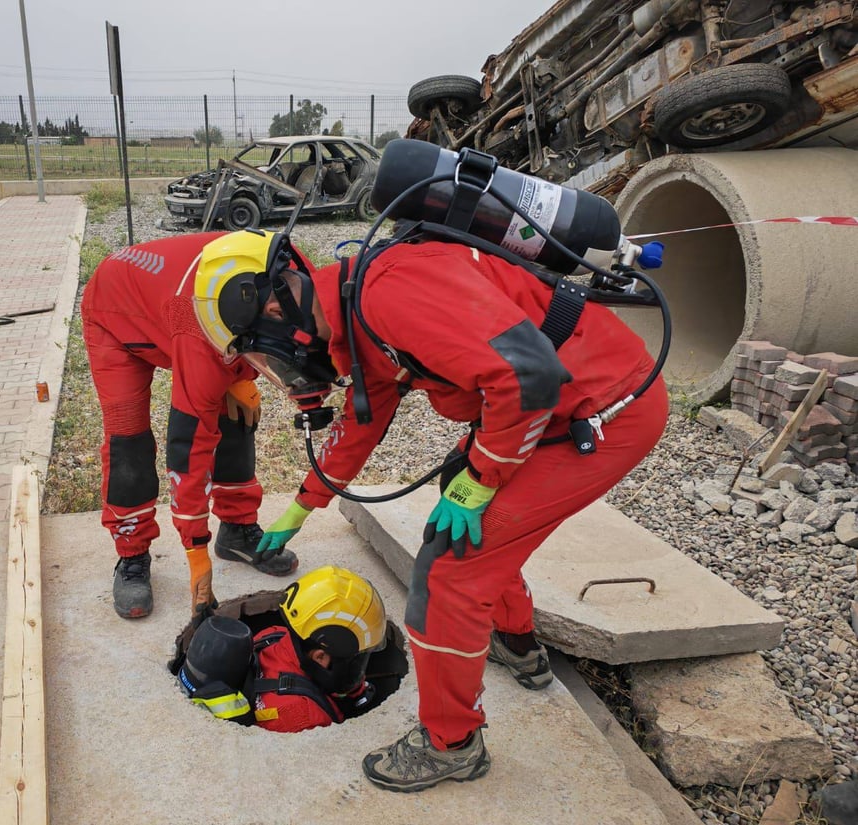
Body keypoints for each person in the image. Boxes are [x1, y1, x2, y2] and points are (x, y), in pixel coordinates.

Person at [193, 228, 668, 792]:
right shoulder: (356, 309)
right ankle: (516, 643)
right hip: (558, 408)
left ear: (272, 307)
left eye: (261, 350)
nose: (280, 369)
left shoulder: (389, 294)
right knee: (462, 520)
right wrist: (302, 506)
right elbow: (361, 421)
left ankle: (451, 745)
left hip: (600, 411)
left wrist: (484, 477)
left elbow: (528, 376)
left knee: (446, 575)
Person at [80, 231, 303, 621]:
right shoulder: (198, 332)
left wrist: (242, 376)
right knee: (128, 438)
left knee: (237, 410)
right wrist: (195, 550)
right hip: (117, 315)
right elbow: (187, 446)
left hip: (184, 307)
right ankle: (132, 553)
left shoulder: (298, 273)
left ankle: (236, 529)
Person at [176, 565, 388, 732]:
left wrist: (353, 689)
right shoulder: (303, 715)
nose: (360, 669)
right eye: (359, 659)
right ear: (320, 656)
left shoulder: (274, 634)